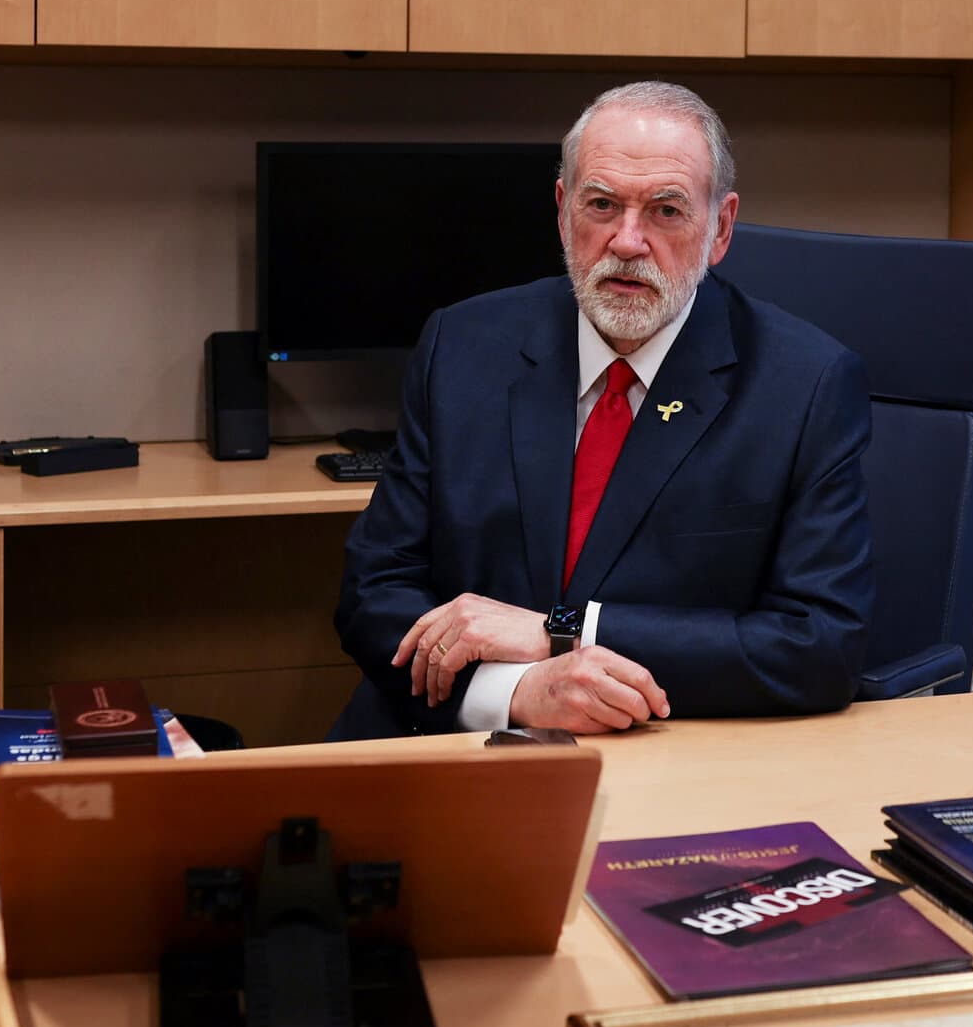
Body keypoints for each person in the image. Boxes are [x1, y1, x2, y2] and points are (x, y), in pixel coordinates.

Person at [332, 81, 874, 741]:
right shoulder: (462, 346)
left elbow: (819, 645)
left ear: (722, 227)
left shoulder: (805, 384)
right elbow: (374, 593)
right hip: (450, 740)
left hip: (666, 753)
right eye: (602, 204)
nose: (627, 241)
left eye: (666, 211)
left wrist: (563, 634)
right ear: (564, 211)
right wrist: (516, 692)